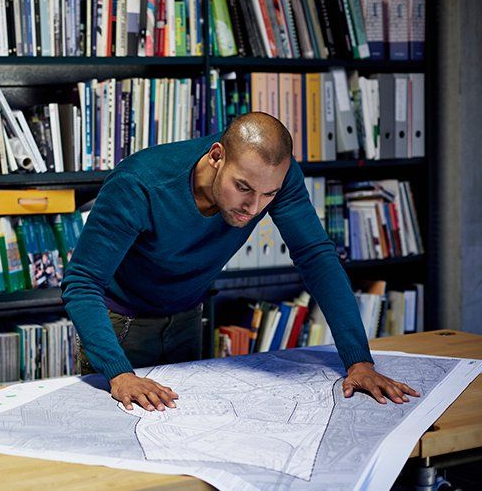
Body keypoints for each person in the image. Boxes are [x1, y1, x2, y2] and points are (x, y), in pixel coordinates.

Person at [61, 112, 420, 413]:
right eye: (243, 188)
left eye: (269, 195)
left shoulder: (272, 176)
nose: (254, 207)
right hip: (120, 326)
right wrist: (120, 374)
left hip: (187, 318)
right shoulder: (139, 184)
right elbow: (81, 283)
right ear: (216, 156)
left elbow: (316, 256)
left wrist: (358, 360)